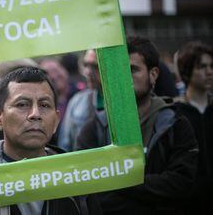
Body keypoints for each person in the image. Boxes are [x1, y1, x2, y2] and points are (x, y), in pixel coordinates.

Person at [0, 66, 101, 215]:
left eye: (44, 105)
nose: (35, 114)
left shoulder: (78, 178)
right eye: (22, 104)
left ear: (56, 121)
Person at [76, 36, 199, 214]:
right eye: (118, 69)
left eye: (132, 69)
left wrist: (117, 181)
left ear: (153, 74)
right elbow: (86, 189)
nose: (124, 76)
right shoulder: (94, 128)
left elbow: (181, 184)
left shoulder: (176, 124)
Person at [175, 41, 213, 215]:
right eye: (201, 67)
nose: (209, 72)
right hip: (187, 202)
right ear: (187, 71)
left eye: (211, 66)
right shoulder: (175, 113)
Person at [59, 50, 104, 151]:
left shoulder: (125, 101)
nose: (88, 72)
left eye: (96, 66)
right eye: (85, 65)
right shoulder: (77, 101)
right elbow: (64, 145)